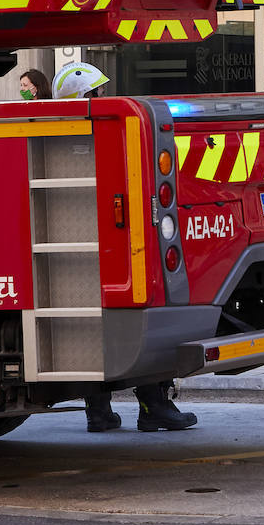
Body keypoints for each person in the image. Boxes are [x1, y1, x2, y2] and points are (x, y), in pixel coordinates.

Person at [50, 61, 200, 432]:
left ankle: (98, 414)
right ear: (85, 97)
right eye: (99, 92)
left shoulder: (61, 140)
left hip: (77, 261)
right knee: (143, 327)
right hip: (111, 252)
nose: (106, 96)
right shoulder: (104, 138)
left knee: (91, 336)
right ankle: (154, 409)